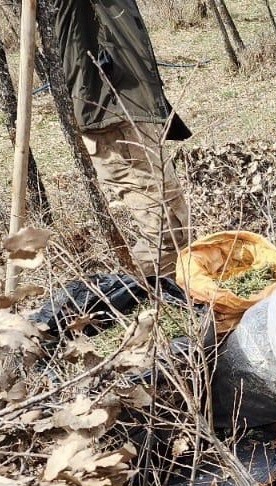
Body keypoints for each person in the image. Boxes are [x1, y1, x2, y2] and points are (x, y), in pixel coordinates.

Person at [56, 0, 192, 279]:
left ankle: (173, 285)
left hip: (127, 109)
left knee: (173, 214)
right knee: (167, 229)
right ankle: (154, 288)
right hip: (112, 116)